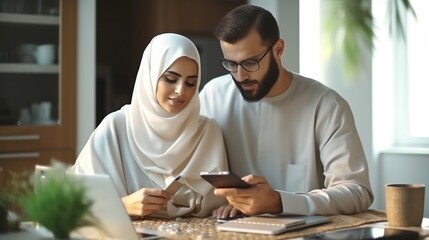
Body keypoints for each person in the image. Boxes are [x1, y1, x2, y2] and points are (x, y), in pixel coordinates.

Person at [199, 4, 374, 219]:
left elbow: (357, 192)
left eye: (251, 62)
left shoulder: (327, 105)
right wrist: (229, 201)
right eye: (231, 64)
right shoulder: (212, 96)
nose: (240, 75)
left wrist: (278, 202)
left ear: (278, 49)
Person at [70, 33, 228, 218]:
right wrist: (122, 206)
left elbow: (220, 205)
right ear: (151, 76)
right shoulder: (116, 128)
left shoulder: (208, 132)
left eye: (191, 83)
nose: (181, 91)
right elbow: (73, 206)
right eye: (170, 79)